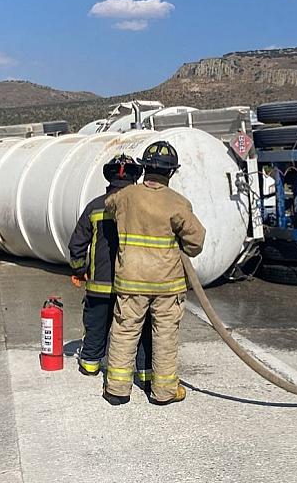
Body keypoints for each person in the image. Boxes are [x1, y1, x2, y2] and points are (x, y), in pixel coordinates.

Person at [103, 141, 205, 406]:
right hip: (167, 285)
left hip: (131, 281)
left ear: (144, 168)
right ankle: (164, 392)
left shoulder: (126, 196)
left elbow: (109, 206)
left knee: (125, 332)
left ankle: (117, 390)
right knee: (165, 336)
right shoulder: (178, 202)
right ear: (171, 172)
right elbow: (196, 242)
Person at [68, 154, 153, 389]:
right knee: (140, 329)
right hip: (135, 286)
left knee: (96, 326)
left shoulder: (95, 206)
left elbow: (77, 244)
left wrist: (80, 269)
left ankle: (90, 364)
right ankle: (145, 373)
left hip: (100, 287)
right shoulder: (144, 207)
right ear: (135, 177)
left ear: (109, 177)